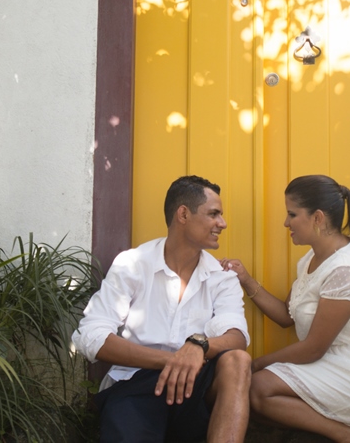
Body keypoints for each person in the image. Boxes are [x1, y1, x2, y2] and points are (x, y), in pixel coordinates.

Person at [221, 175, 350, 443]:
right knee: (248, 395)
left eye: (292, 214)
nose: (286, 222)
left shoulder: (346, 269)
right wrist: (246, 280)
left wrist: (254, 365)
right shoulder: (311, 259)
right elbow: (287, 317)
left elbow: (313, 348)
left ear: (317, 218)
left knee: (256, 388)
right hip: (332, 365)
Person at [73, 175, 252, 443]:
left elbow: (237, 336)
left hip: (196, 388)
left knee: (238, 360)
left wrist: (198, 346)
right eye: (213, 214)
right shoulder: (133, 264)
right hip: (137, 385)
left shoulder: (221, 276)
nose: (222, 223)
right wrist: (172, 360)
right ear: (183, 214)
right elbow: (91, 336)